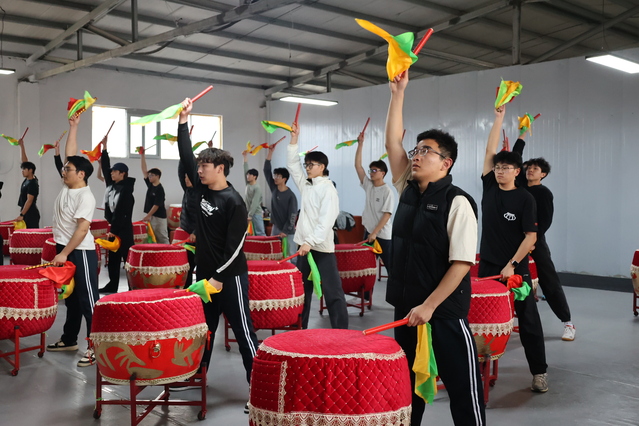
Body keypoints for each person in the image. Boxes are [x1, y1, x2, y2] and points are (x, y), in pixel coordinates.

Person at [385, 72, 485, 426]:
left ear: (446, 163)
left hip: (442, 313)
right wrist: (398, 93)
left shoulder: (458, 202)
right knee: (408, 390)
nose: (416, 156)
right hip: (407, 310)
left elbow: (461, 264)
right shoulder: (408, 190)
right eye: (416, 150)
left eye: (426, 151)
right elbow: (392, 144)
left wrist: (429, 305)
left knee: (463, 389)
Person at [177, 98, 258, 412]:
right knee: (205, 329)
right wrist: (183, 122)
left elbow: (235, 247)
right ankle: (198, 374)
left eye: (204, 167)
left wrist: (219, 278)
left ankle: (257, 389)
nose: (198, 170)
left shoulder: (233, 201)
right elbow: (185, 156)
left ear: (220, 168)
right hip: (206, 277)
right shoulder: (200, 190)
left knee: (243, 331)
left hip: (230, 278)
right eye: (198, 167)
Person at [480, 105, 548, 393]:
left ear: (517, 172)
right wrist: (498, 119)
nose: (499, 171)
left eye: (506, 168)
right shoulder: (489, 187)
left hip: (515, 268)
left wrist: (511, 264)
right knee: (483, 318)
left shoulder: (525, 199)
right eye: (497, 167)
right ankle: (479, 368)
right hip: (488, 266)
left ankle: (539, 372)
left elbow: (531, 237)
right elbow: (489, 151)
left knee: (528, 318)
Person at [46, 114, 100, 368]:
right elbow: (71, 153)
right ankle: (69, 339)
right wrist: (74, 127)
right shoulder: (68, 187)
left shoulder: (85, 197)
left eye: (67, 169)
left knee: (89, 301)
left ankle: (95, 347)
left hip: (80, 251)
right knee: (72, 299)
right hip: (65, 249)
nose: (63, 171)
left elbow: (82, 230)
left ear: (81, 174)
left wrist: (64, 253)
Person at [513, 133, 575, 341]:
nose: (530, 170)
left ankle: (567, 322)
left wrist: (533, 242)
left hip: (535, 241)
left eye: (535, 169)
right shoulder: (520, 185)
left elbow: (545, 221)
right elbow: (516, 158)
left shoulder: (544, 193)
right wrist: (521, 135)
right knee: (510, 279)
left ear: (543, 174)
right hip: (514, 241)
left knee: (549, 280)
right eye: (528, 167)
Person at [287, 123, 348, 330]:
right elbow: (293, 166)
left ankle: (341, 331)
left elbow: (326, 222)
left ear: (322, 167)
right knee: (302, 292)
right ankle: (300, 329)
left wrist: (310, 242)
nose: (307, 168)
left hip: (321, 249)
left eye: (311, 165)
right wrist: (294, 140)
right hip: (304, 248)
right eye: (306, 165)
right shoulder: (307, 185)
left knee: (333, 292)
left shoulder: (328, 189)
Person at [354, 131, 394, 276]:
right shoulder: (369, 185)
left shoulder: (387, 191)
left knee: (390, 266)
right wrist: (360, 144)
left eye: (374, 170)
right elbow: (358, 166)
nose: (371, 173)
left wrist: (375, 232)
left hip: (382, 235)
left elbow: (387, 215)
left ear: (383, 173)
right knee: (366, 267)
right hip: (369, 232)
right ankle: (366, 291)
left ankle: (396, 289)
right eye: (370, 170)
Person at [99, 136, 135, 293]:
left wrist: (113, 231)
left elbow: (121, 213)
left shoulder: (126, 191)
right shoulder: (112, 186)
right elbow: (105, 167)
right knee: (113, 259)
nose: (111, 173)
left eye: (115, 171)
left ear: (123, 174)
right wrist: (104, 148)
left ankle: (132, 286)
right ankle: (112, 285)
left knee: (127, 259)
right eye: (112, 171)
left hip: (123, 229)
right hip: (114, 227)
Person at [264, 142, 298, 258]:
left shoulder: (291, 196)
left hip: (288, 229)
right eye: (275, 175)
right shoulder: (274, 189)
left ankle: (295, 269)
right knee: (274, 253)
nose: (275, 178)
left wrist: (286, 231)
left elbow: (292, 215)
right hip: (276, 227)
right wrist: (270, 152)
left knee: (291, 255)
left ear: (284, 179)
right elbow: (266, 171)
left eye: (278, 176)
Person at [139, 149, 169, 244]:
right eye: (149, 175)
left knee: (162, 237)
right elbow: (144, 170)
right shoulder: (150, 185)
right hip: (151, 216)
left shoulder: (160, 189)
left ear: (157, 176)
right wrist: (142, 155)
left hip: (159, 217)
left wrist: (148, 215)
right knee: (151, 237)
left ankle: (167, 251)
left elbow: (157, 205)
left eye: (151, 175)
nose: (149, 177)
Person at [178, 159, 198, 288]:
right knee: (188, 265)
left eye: (188, 177)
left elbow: (202, 216)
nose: (185, 179)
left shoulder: (199, 193)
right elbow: (181, 173)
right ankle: (188, 290)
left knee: (199, 266)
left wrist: (196, 232)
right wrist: (183, 156)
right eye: (185, 177)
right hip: (189, 235)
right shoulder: (187, 190)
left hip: (199, 235)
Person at [16, 137, 40, 228]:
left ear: (30, 170)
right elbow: (25, 161)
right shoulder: (28, 179)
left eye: (24, 169)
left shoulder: (33, 183)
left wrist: (22, 214)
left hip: (31, 214)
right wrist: (22, 146)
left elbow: (29, 200)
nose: (22, 171)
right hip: (26, 212)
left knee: (30, 234)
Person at [242, 153, 265, 236]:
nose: (247, 176)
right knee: (249, 234)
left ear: (255, 176)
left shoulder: (257, 188)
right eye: (247, 175)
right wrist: (245, 157)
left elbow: (255, 203)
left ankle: (264, 244)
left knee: (260, 233)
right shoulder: (248, 184)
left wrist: (250, 215)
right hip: (249, 213)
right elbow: (245, 169)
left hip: (256, 213)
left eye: (249, 175)